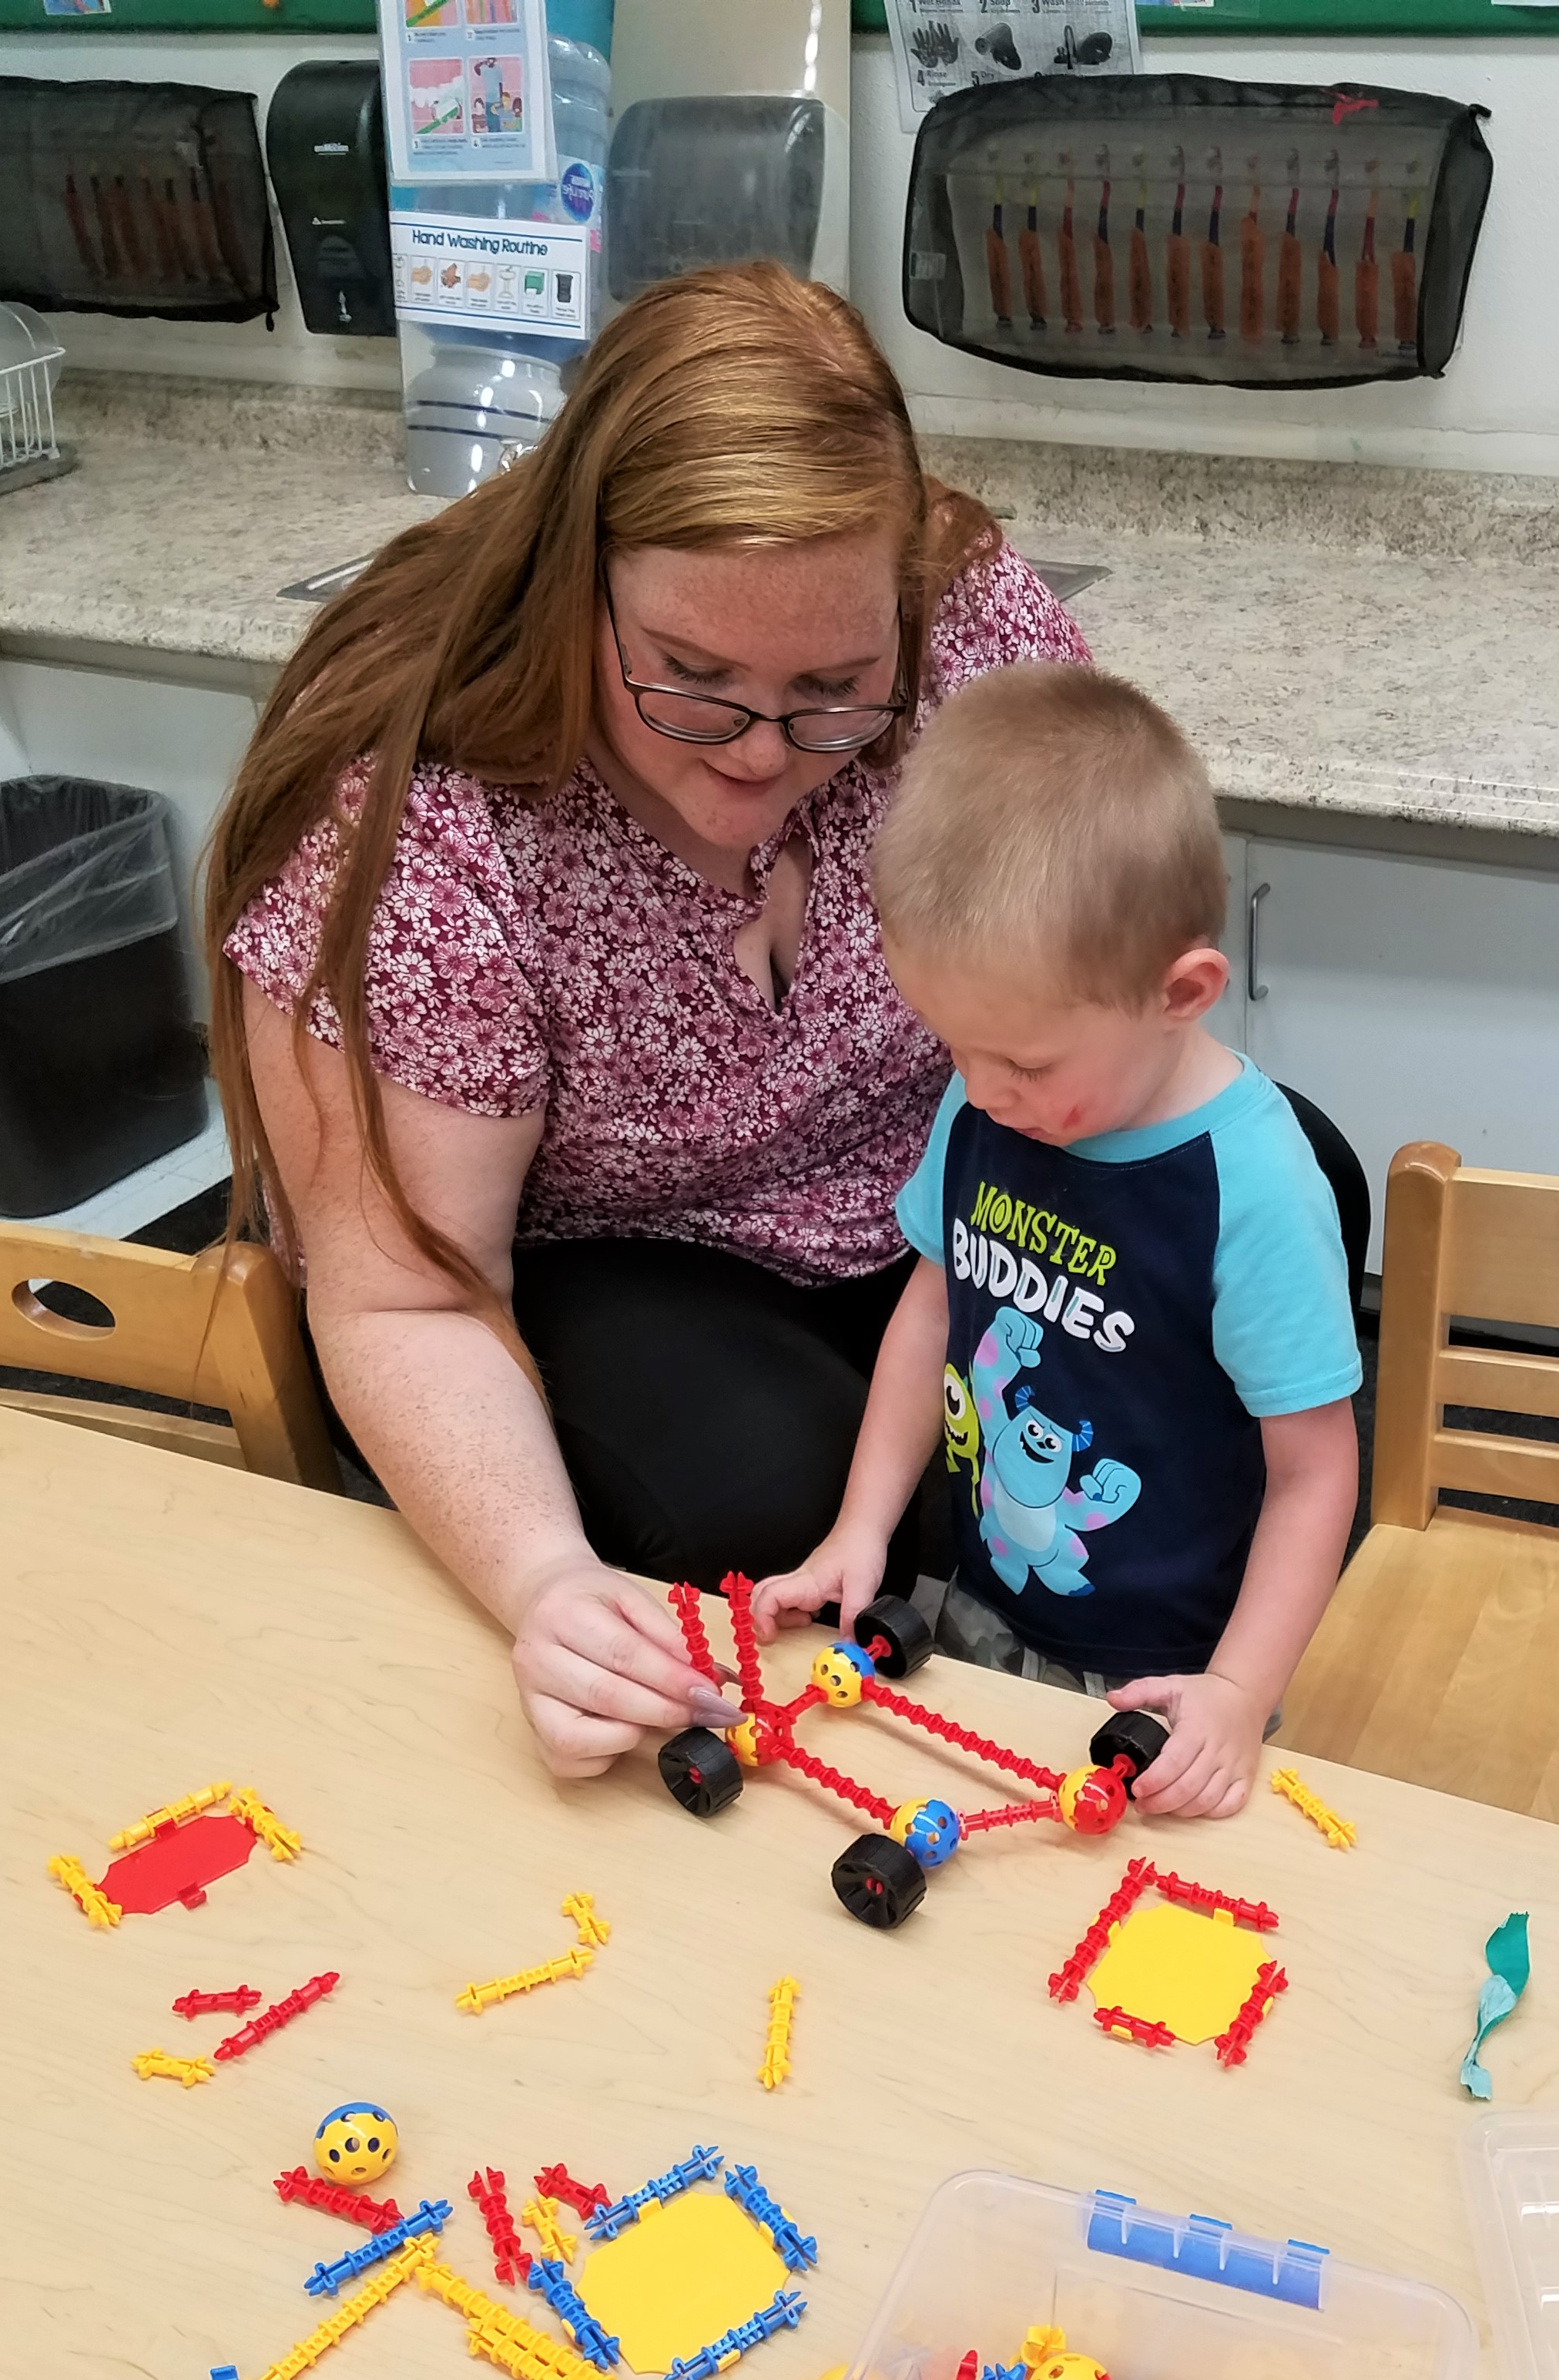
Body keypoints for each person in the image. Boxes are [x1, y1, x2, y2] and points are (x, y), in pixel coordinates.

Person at [205, 263, 1090, 1781]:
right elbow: (407, 1292)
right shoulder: (423, 816)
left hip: (927, 1168)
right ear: (579, 588)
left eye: (835, 690)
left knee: (1272, 1208)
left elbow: (1096, 942)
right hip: (607, 1255)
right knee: (770, 1502)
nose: (761, 756)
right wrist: (549, 1584)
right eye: (690, 681)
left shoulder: (971, 633)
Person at [753, 663, 1361, 1818]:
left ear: (1181, 993)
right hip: (982, 1604)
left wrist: (1237, 1691)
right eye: (954, 1046)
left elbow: (1318, 1470)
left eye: (1026, 1062)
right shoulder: (988, 1098)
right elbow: (930, 1309)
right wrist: (860, 1526)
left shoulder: (1257, 1188)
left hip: (1176, 1670)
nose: (981, 1090)